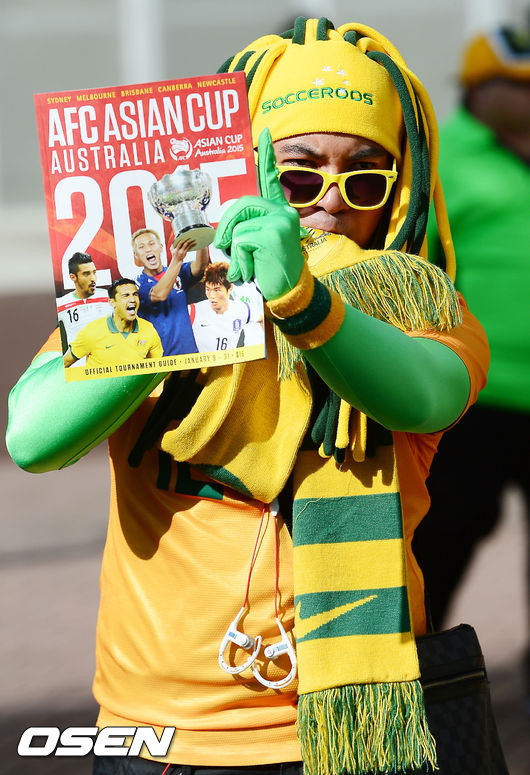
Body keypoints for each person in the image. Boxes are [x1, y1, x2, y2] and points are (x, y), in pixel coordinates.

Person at [7, 17, 490, 775]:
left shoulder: (416, 303)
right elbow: (33, 438)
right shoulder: (139, 299)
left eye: (365, 177)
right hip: (156, 737)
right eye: (299, 175)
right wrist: (180, 307)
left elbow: (428, 397)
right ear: (243, 170)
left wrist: (305, 303)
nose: (331, 203)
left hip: (353, 740)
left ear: (398, 193)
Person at [412, 26, 530, 661]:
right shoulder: (442, 159)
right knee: (444, 537)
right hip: (473, 397)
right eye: (517, 84)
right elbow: (413, 272)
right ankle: (419, 674)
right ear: (478, 90)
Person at [133, 229, 210, 355]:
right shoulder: (137, 285)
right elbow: (159, 294)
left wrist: (200, 235)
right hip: (162, 360)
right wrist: (177, 259)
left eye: (151, 243)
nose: (148, 249)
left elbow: (200, 266)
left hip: (190, 355)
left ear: (161, 247)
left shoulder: (178, 271)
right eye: (141, 247)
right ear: (136, 255)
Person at [63, 277, 163, 368]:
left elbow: (158, 368)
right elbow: (64, 364)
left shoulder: (149, 329)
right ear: (112, 302)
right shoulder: (91, 332)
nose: (132, 299)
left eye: (135, 294)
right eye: (126, 296)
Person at [189, 261, 263, 352]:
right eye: (208, 289)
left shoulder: (241, 309)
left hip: (230, 359)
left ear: (230, 288)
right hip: (203, 360)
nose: (212, 295)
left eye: (217, 290)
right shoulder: (193, 310)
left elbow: (261, 318)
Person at [56, 251, 112, 346]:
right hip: (77, 355)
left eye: (94, 273)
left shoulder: (110, 297)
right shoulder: (61, 303)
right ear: (73, 277)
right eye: (86, 274)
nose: (93, 278)